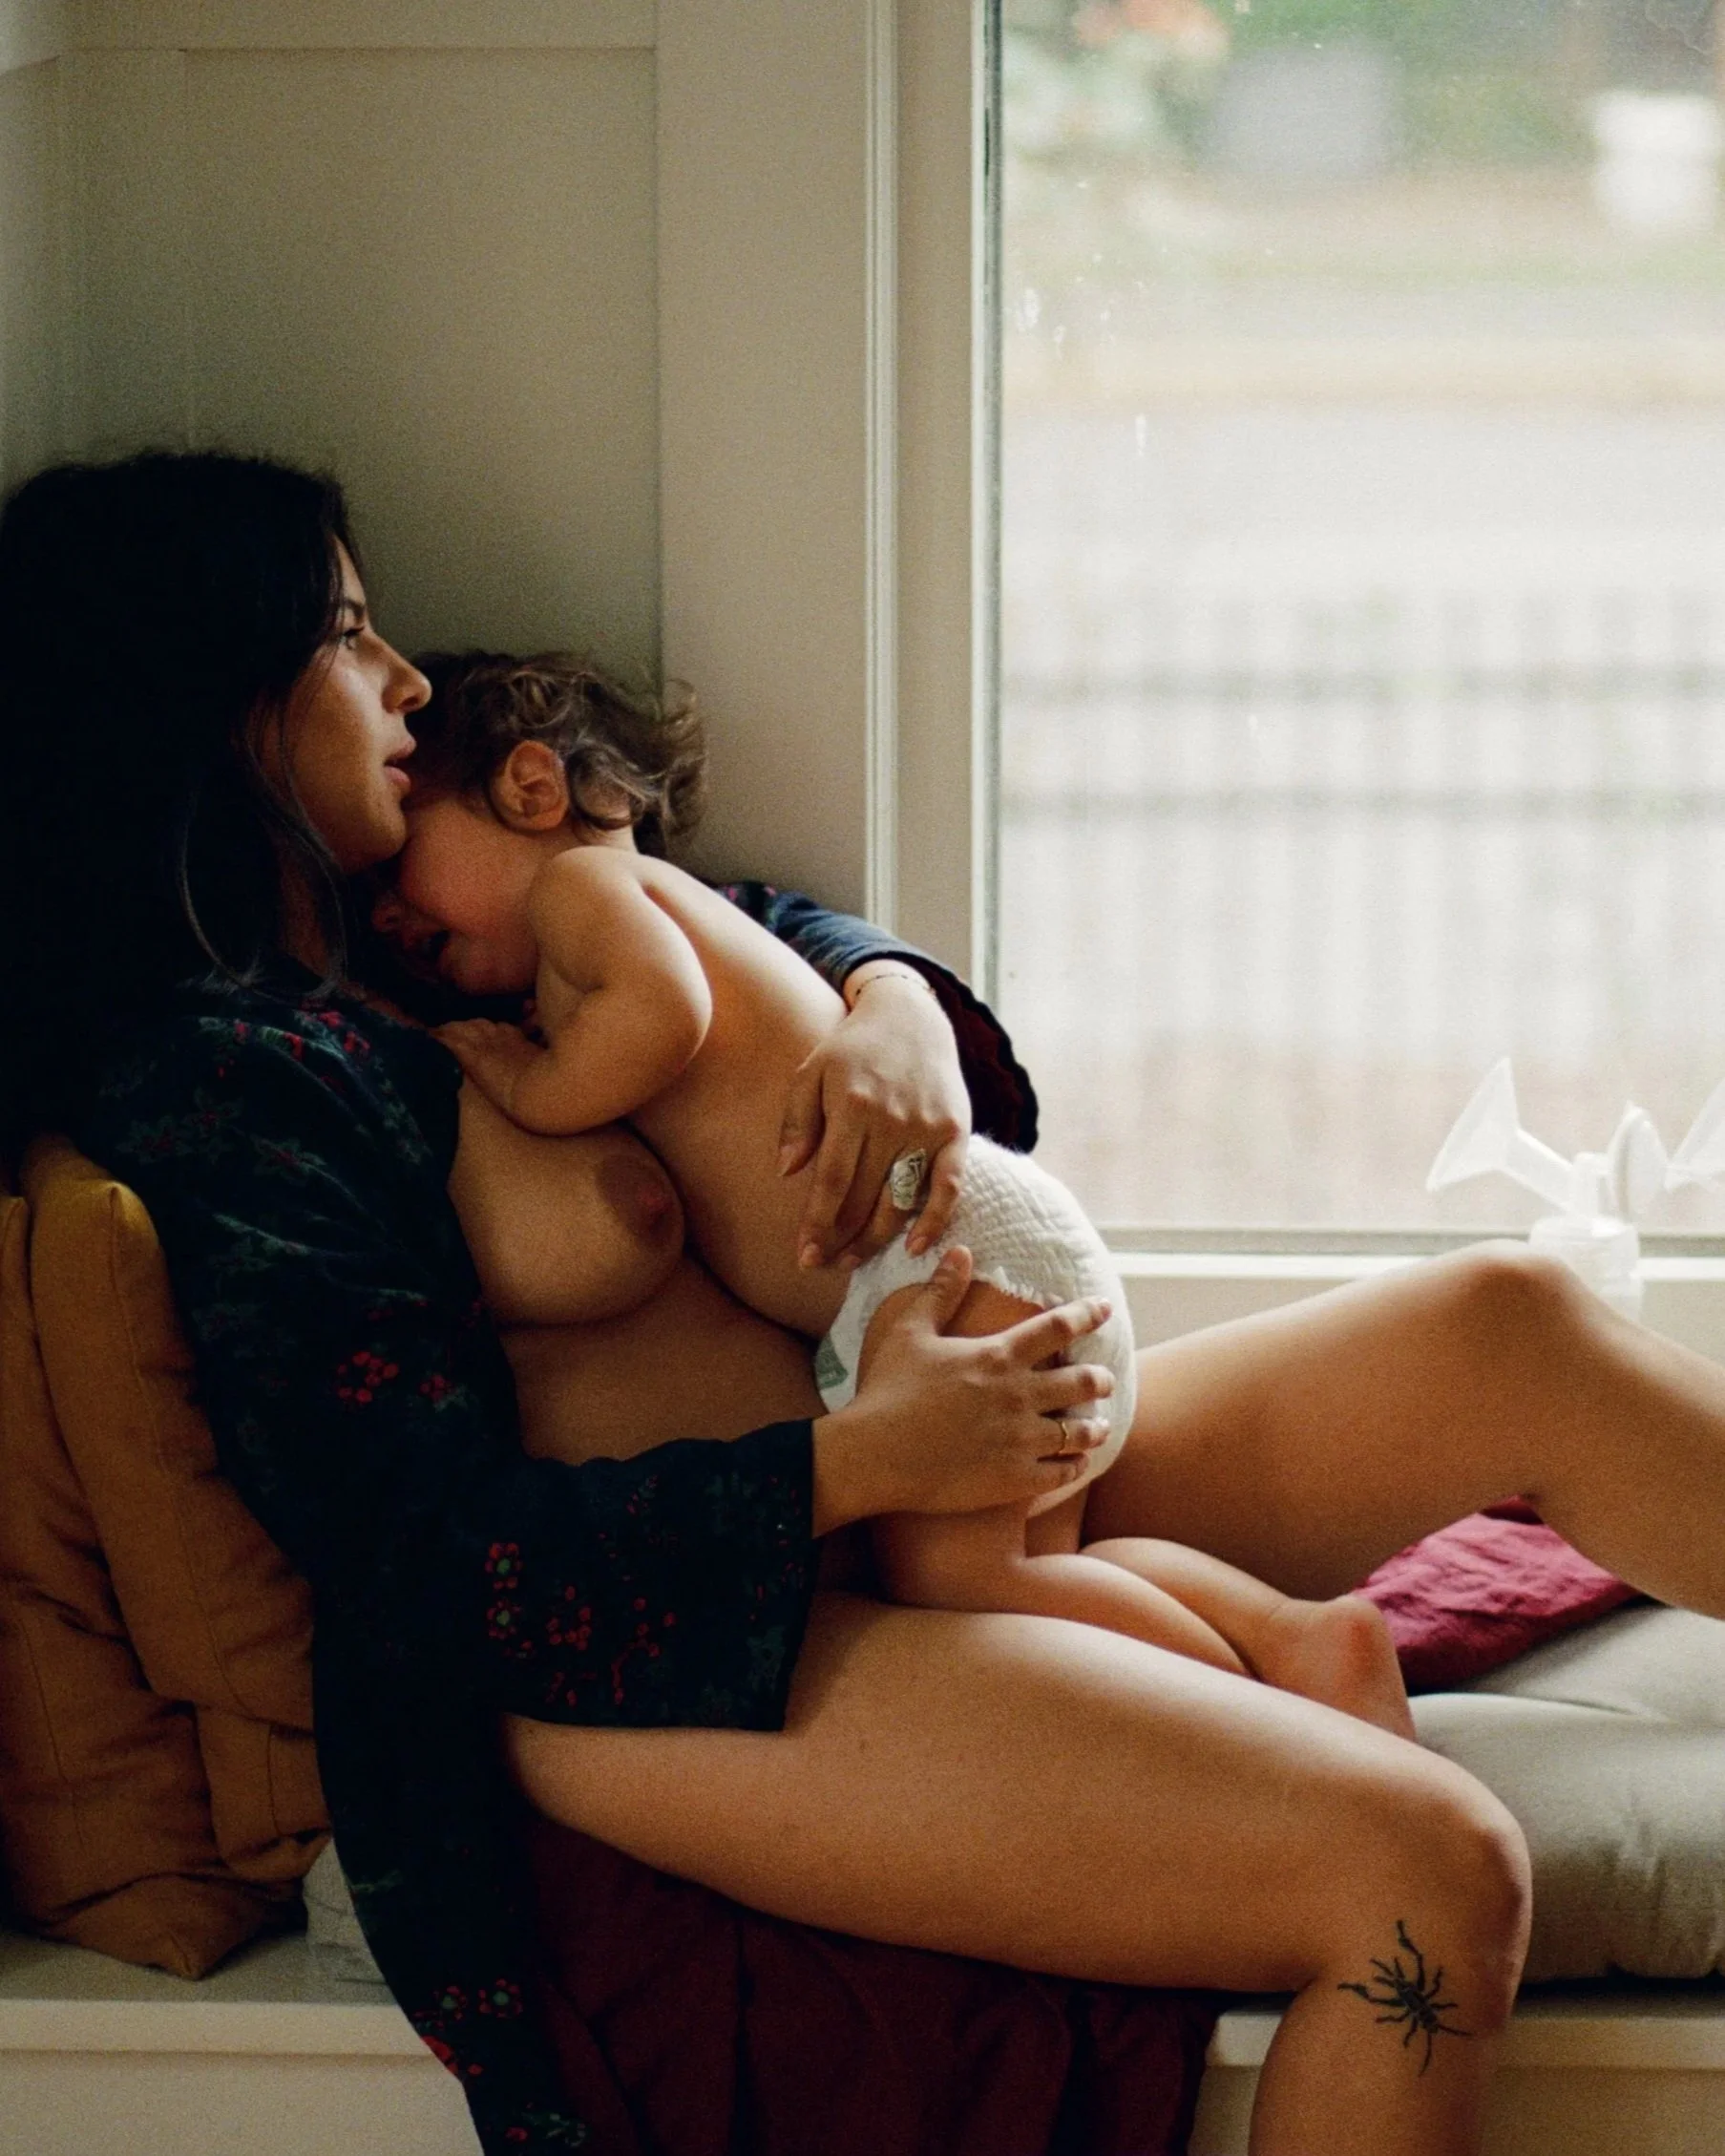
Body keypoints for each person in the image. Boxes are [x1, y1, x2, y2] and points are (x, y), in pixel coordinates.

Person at [4, 451, 1725, 2156]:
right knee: (1425, 1872)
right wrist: (864, 1463)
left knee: (1512, 1319)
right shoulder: (226, 1094)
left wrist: (885, 999)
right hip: (666, 1665)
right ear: (216, 699)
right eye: (348, 633)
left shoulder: (430, 925)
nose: (408, 677)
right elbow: (430, 1571)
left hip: (911, 1476)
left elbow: (737, 922)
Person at [372, 647, 1415, 1735]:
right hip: (963, 1249)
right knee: (1030, 1563)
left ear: (532, 788)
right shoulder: (614, 933)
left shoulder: (584, 892)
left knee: (957, 1579)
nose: (389, 920)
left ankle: (1285, 1699)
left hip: (948, 1259)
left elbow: (663, 1015)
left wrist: (526, 1082)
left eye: (400, 862)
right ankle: (1285, 1635)